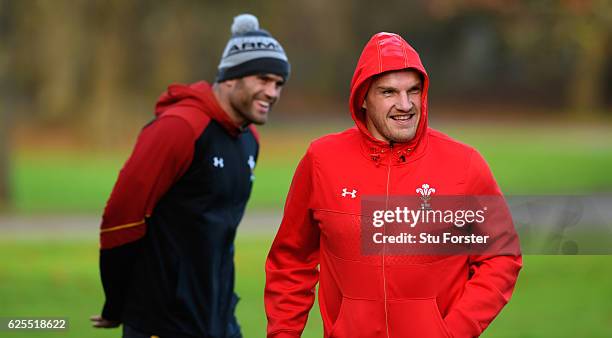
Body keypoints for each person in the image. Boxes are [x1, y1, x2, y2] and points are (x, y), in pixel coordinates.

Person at [264, 32, 521, 338]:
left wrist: (453, 332)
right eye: (388, 92)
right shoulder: (322, 160)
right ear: (362, 97)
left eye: (413, 90)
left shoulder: (463, 164)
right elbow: (291, 260)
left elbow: (500, 258)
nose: (405, 104)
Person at [90, 14, 290, 338]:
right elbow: (121, 218)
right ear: (230, 77)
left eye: (278, 83)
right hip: (163, 321)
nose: (272, 92)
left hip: (219, 318)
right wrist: (117, 300)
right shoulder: (179, 128)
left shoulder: (249, 140)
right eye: (263, 79)